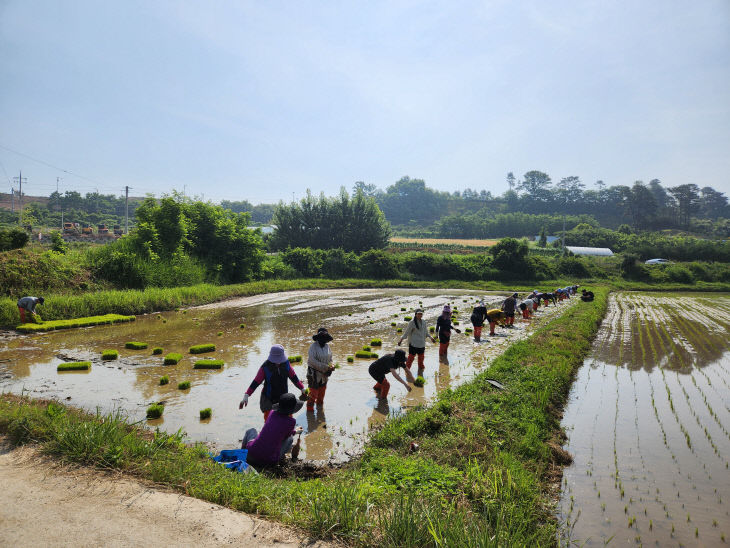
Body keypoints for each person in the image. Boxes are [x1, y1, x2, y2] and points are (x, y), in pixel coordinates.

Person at [240, 344, 306, 421]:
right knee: (269, 421)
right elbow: (256, 382)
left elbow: (294, 377)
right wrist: (247, 394)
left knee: (287, 420)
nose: (278, 362)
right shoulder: (265, 367)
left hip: (283, 397)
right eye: (276, 360)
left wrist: (302, 388)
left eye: (280, 359)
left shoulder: (286, 364)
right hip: (269, 398)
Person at [241, 393, 304, 466]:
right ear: (292, 409)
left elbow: (276, 430)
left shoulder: (272, 413)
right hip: (269, 462)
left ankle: (242, 453)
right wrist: (296, 431)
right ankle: (281, 458)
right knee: (290, 439)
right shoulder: (291, 421)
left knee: (251, 430)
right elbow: (287, 435)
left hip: (250, 455)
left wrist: (295, 431)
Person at [398, 308, 435, 377]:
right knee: (411, 357)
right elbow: (407, 332)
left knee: (421, 357)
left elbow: (426, 332)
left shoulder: (424, 322)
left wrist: (431, 337)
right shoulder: (412, 322)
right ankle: (407, 369)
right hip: (413, 344)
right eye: (418, 314)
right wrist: (401, 340)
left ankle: (420, 369)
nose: (420, 315)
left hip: (421, 343)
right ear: (416, 314)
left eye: (421, 314)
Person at [306, 328, 334, 411]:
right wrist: (325, 367)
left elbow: (331, 358)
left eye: (325, 338)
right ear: (318, 338)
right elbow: (312, 360)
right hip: (314, 374)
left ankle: (320, 411)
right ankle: (310, 413)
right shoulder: (313, 347)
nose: (323, 340)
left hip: (324, 375)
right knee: (313, 394)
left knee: (322, 394)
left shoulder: (327, 347)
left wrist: (332, 365)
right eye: (321, 337)